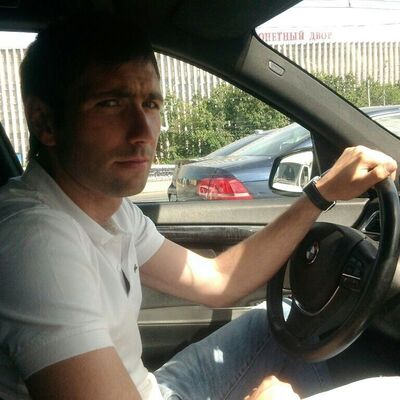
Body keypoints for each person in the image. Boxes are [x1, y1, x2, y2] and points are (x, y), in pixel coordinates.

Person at [0, 14, 398, 400]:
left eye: (150, 104)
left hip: (151, 389)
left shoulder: (110, 210)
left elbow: (218, 281)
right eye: (110, 103)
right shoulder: (36, 243)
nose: (142, 132)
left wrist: (320, 193)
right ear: (45, 122)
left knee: (283, 317)